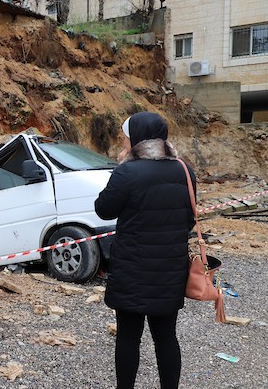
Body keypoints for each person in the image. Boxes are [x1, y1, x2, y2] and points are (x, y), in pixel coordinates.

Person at [94, 112, 196, 389]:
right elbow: (189, 219)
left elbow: (103, 210)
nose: (123, 140)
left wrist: (120, 168)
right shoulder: (185, 170)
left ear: (137, 137)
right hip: (170, 269)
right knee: (166, 337)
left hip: (133, 270)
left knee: (128, 337)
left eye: (125, 135)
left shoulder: (127, 171)